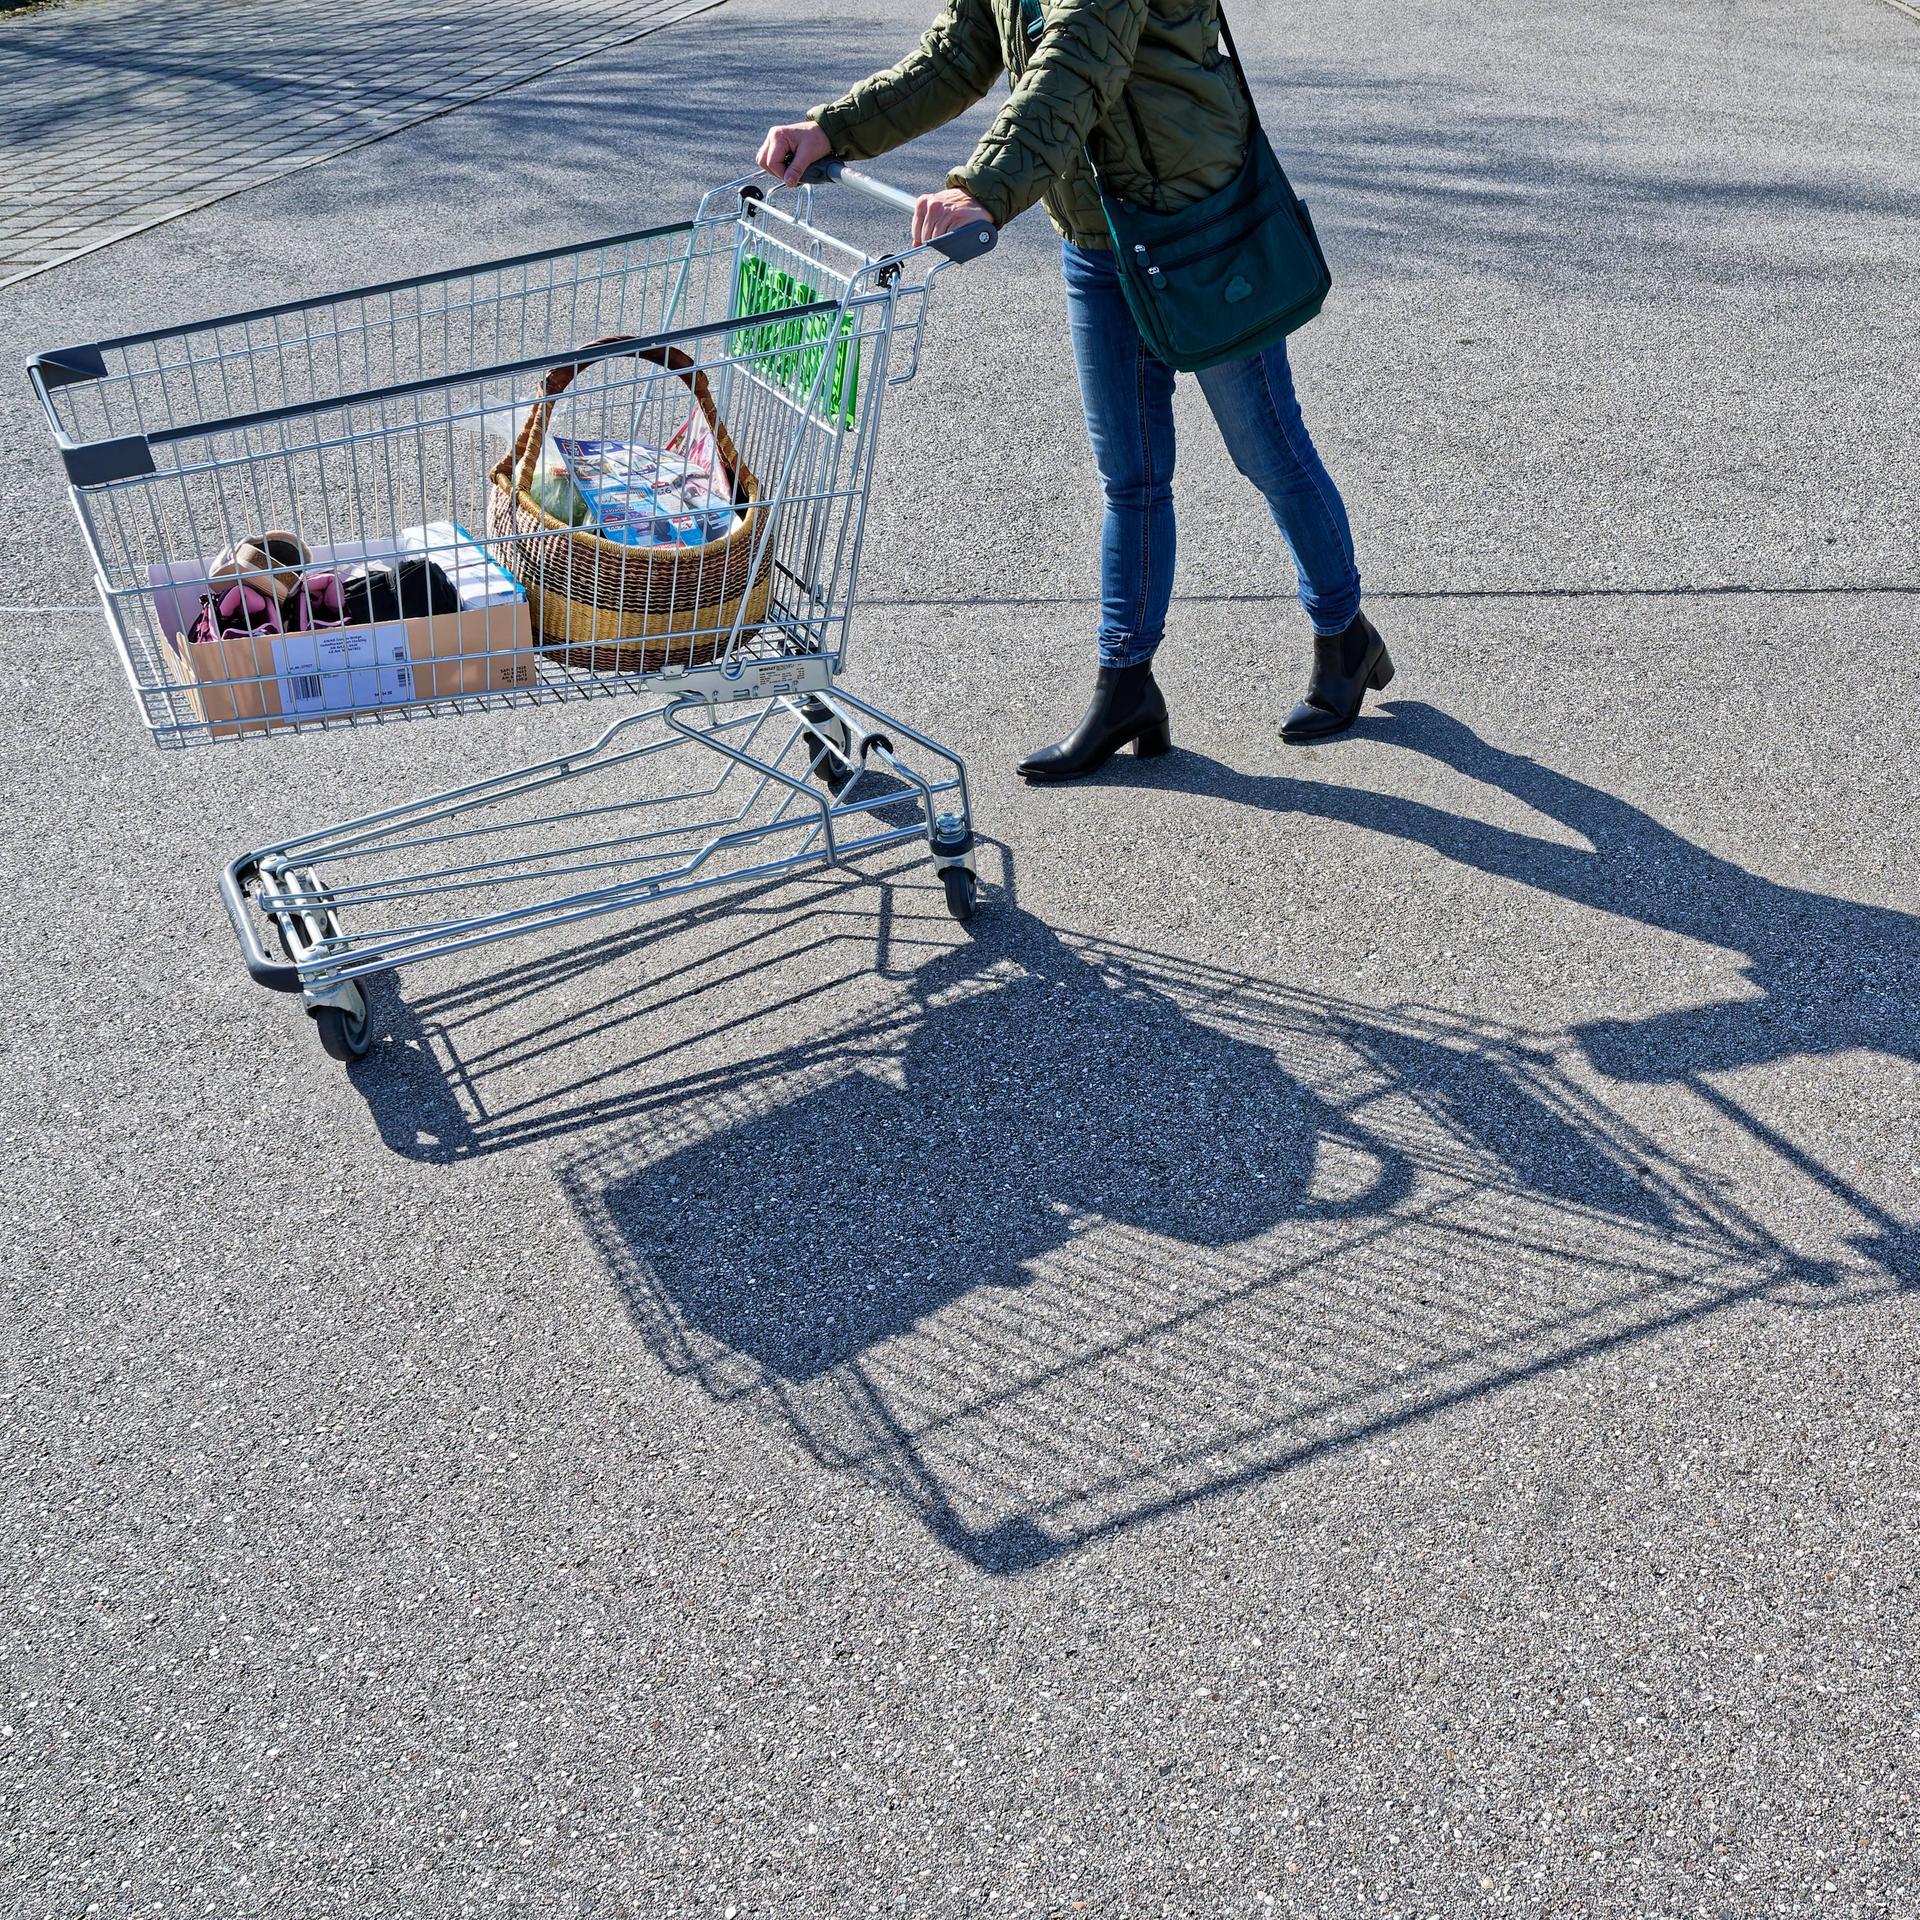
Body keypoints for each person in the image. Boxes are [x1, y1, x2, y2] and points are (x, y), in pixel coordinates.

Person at [757, 0, 1390, 783]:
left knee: (1269, 452)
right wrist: (833, 130)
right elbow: (957, 54)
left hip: (1197, 223)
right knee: (1129, 477)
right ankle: (1126, 685)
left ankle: (1343, 634)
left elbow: (1078, 59)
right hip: (1096, 234)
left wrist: (983, 186)